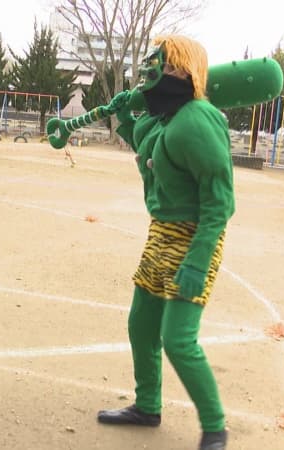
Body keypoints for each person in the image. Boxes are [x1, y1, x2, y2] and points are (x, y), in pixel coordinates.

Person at [95, 35, 233, 450]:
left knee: (178, 339)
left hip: (194, 238)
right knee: (141, 325)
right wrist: (123, 119)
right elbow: (149, 148)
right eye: (156, 65)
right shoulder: (165, 118)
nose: (157, 73)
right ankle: (147, 406)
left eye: (168, 66)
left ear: (188, 72)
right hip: (161, 233)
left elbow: (219, 201)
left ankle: (215, 428)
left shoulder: (197, 119)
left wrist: (198, 260)